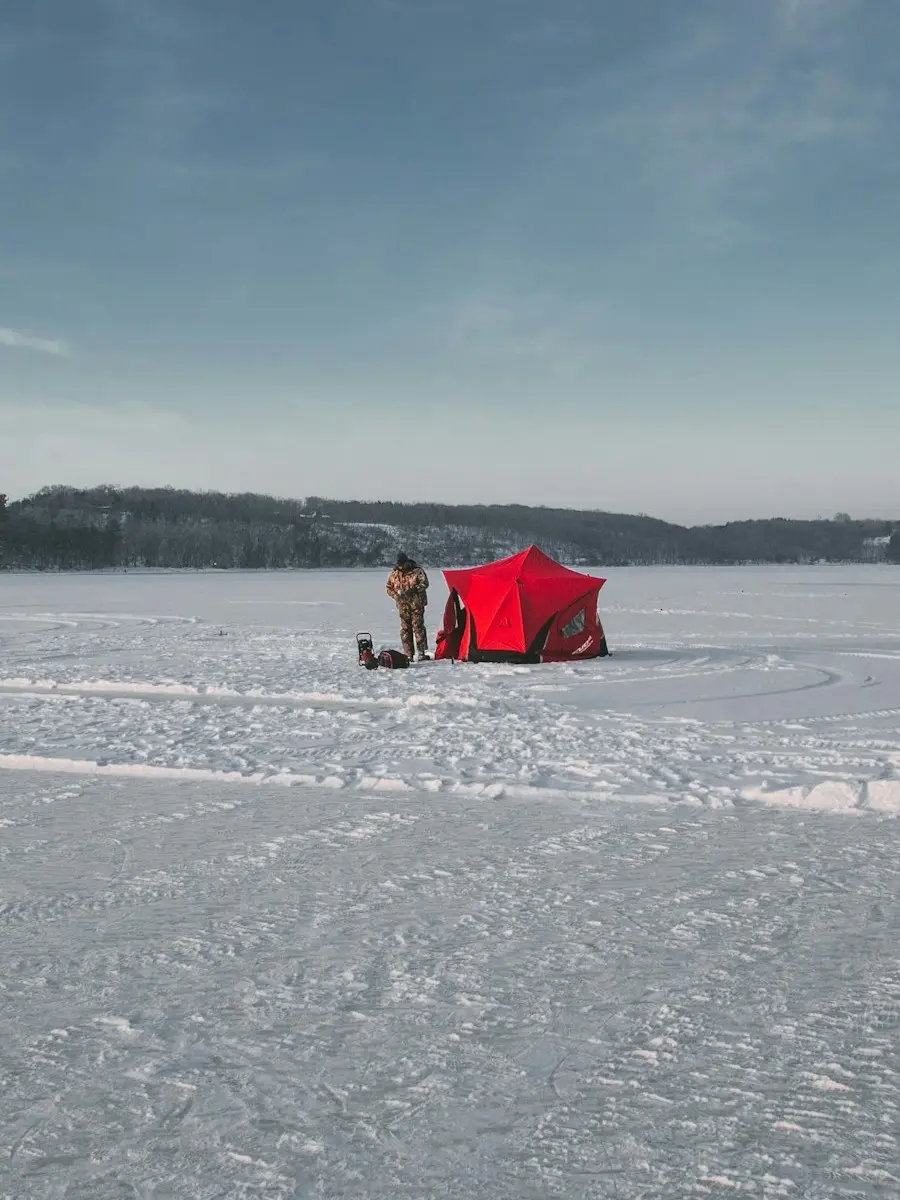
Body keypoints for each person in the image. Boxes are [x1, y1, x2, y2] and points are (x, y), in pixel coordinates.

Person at [385, 551, 429, 660]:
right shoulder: (394, 573)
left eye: (402, 563)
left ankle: (421, 652)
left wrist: (414, 589)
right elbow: (388, 587)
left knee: (418, 627)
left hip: (416, 604)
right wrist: (396, 595)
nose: (400, 566)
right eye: (398, 564)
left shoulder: (417, 571)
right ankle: (408, 654)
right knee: (405, 629)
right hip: (403, 606)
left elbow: (425, 583)